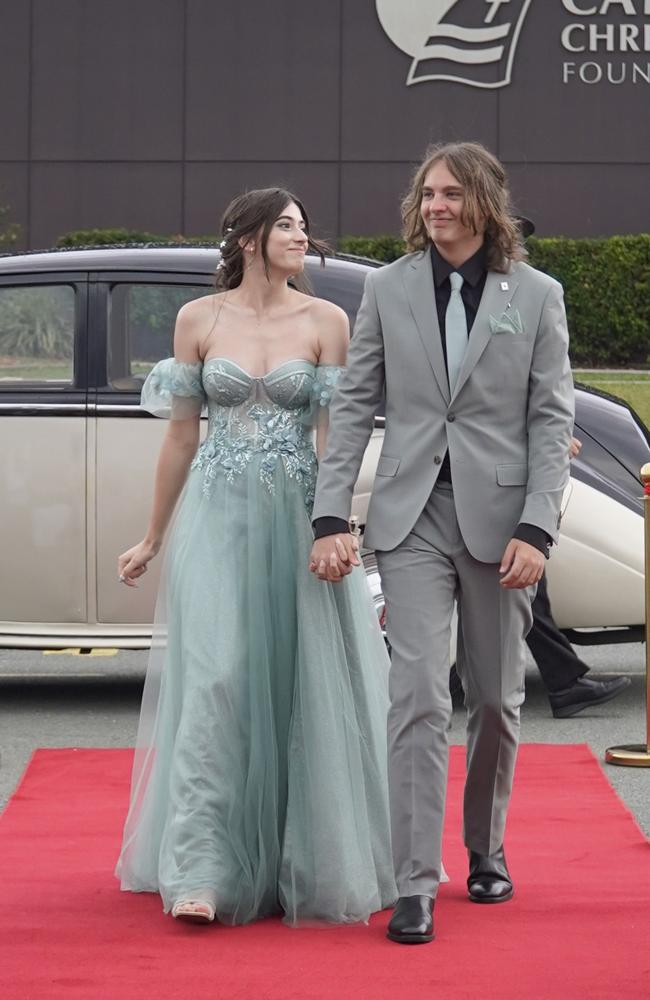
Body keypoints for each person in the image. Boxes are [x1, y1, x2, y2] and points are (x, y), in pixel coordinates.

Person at [309, 142, 575, 944]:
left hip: (502, 530)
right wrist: (330, 514)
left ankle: (485, 848)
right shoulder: (386, 289)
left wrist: (538, 525)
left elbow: (550, 418)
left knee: (494, 700)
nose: (435, 206)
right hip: (410, 517)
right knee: (417, 696)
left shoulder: (535, 295)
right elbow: (355, 404)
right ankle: (415, 881)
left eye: (452, 193)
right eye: (427, 193)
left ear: (484, 202)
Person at [115, 187, 396, 926]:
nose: (302, 236)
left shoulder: (328, 320)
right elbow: (181, 435)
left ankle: (305, 862)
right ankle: (203, 866)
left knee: (302, 682)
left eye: (304, 226)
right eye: (286, 225)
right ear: (247, 238)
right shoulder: (198, 320)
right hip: (218, 518)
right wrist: (152, 536)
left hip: (300, 518)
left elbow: (338, 437)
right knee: (216, 680)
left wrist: (340, 524)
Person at [453, 438, 632, 717]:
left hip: (493, 486)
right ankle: (564, 682)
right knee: (520, 586)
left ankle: (565, 681)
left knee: (530, 589)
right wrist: (547, 439)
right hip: (482, 489)